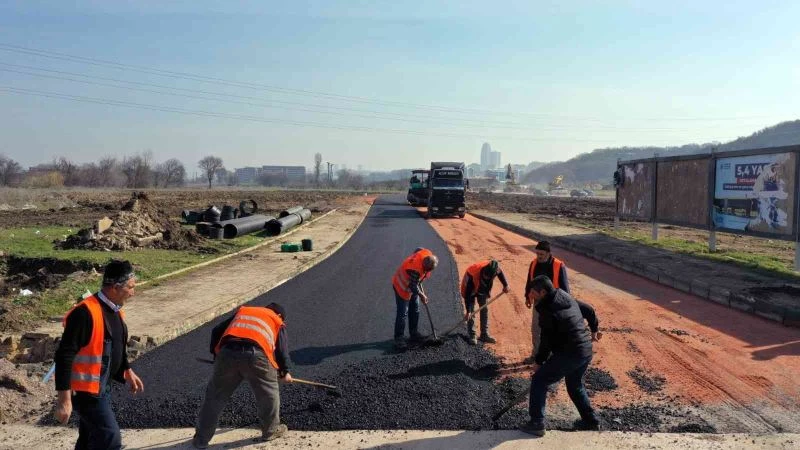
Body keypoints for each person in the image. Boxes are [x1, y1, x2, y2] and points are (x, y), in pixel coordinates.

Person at [53, 259, 144, 450]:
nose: (133, 292)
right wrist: (64, 399)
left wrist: (126, 369)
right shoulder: (85, 313)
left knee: (89, 439)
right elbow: (64, 356)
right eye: (130, 287)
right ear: (114, 288)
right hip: (85, 392)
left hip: (101, 386)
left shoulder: (115, 311)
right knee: (110, 438)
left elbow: (114, 344)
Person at [193, 303, 292, 449]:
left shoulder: (245, 311)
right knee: (269, 394)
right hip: (256, 355)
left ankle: (201, 440)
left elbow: (216, 330)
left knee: (215, 397)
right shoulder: (276, 320)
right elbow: (282, 349)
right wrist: (285, 371)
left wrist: (217, 356)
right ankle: (270, 431)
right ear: (279, 315)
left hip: (226, 353)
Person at [519, 276, 601, 437]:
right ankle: (590, 420)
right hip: (585, 350)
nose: (530, 294)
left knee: (540, 380)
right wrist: (594, 329)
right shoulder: (564, 296)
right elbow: (589, 310)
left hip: (570, 352)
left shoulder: (547, 311)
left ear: (542, 292)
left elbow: (546, 340)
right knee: (575, 385)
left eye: (533, 292)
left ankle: (536, 423)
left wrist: (539, 362)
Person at [524, 240, 570, 361]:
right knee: (536, 329)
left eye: (541, 254)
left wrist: (565, 306)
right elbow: (530, 281)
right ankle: (535, 355)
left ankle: (552, 357)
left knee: (552, 330)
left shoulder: (559, 265)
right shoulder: (533, 263)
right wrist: (527, 296)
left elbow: (565, 287)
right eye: (537, 253)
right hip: (538, 302)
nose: (539, 257)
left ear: (549, 253)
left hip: (554, 303)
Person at [391, 247, 438, 350]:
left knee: (415, 309)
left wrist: (420, 291)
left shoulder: (426, 254)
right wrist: (422, 295)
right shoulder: (415, 270)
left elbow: (418, 249)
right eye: (426, 270)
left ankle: (414, 333)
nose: (427, 272)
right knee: (403, 313)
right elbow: (413, 286)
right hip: (401, 286)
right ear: (424, 266)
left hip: (413, 283)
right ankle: (399, 338)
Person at [460, 259, 510, 345]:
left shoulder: (494, 269)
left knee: (484, 309)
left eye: (488, 277)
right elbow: (468, 295)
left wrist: (506, 285)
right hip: (470, 289)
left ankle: (484, 334)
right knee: (471, 312)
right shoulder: (473, 274)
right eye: (485, 276)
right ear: (483, 271)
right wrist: (468, 311)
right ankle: (472, 335)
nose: (487, 278)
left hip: (482, 289)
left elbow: (500, 273)